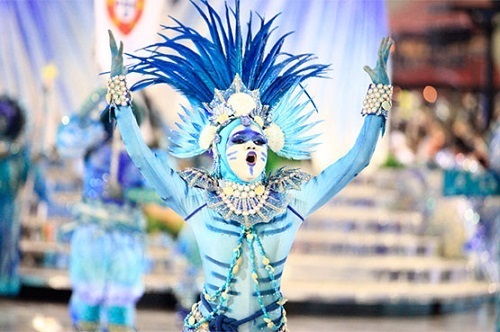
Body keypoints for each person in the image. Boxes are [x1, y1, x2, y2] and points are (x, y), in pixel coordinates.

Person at [104, 1, 393, 331]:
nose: (251, 147)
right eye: (239, 140)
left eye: (258, 140)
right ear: (217, 147)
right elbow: (142, 157)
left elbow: (356, 161)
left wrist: (379, 99)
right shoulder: (199, 202)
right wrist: (120, 97)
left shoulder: (289, 203)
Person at [56, 88, 149, 332]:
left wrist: (127, 194)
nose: (119, 124)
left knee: (120, 313)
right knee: (87, 310)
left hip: (125, 241)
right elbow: (65, 139)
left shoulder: (143, 156)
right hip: (92, 237)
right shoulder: (91, 146)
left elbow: (162, 192)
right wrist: (97, 95)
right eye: (116, 118)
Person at [0, 95, 49, 296]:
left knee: (7, 243)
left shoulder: (20, 153)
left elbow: (35, 179)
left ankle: (5, 280)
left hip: (9, 206)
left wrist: (35, 162)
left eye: (3, 119)